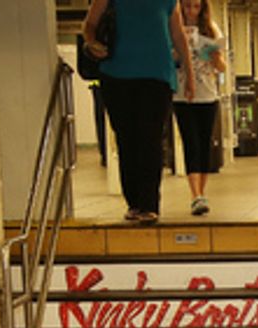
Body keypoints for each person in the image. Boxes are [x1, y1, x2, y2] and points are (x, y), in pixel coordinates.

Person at [84, 0, 195, 226]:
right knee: (126, 139)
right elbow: (90, 24)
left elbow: (178, 34)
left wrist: (190, 74)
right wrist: (92, 42)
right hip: (116, 75)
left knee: (151, 139)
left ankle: (149, 204)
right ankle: (134, 202)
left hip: (157, 76)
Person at [173, 0, 226, 216]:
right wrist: (180, 50)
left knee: (204, 144)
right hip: (182, 96)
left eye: (196, 7)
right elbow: (168, 59)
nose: (191, 12)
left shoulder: (211, 29)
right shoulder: (173, 27)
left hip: (207, 94)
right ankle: (195, 195)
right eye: (187, 7)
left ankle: (201, 193)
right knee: (191, 142)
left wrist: (215, 57)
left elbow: (222, 66)